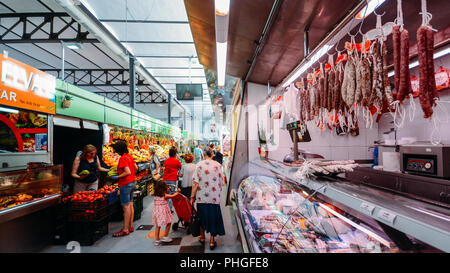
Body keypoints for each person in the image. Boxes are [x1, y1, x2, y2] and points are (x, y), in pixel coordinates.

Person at [190, 148, 226, 250]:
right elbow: (221, 182)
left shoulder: (199, 165)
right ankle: (211, 240)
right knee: (213, 217)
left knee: (201, 216)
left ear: (203, 154)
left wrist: (192, 196)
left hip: (201, 197)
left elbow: (195, 183)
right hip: (214, 197)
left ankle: (202, 237)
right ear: (212, 154)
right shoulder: (218, 165)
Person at [111, 140, 138, 237]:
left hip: (125, 184)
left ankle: (125, 229)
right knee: (130, 205)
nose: (115, 151)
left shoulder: (123, 158)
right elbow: (136, 167)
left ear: (118, 149)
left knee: (125, 207)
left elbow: (127, 172)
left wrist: (117, 177)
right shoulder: (129, 156)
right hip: (132, 183)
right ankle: (130, 226)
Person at [147, 180, 180, 245]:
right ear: (164, 188)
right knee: (169, 222)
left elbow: (165, 191)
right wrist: (178, 192)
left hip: (157, 212)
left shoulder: (155, 195)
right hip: (163, 211)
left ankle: (157, 240)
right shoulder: (165, 195)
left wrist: (168, 189)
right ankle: (165, 236)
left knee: (158, 226)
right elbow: (173, 196)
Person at [162, 147, 182, 212]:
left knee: (165, 194)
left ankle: (165, 208)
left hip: (165, 179)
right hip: (172, 180)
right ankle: (169, 209)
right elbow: (181, 167)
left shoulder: (166, 161)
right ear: (175, 154)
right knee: (171, 194)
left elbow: (165, 167)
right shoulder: (177, 161)